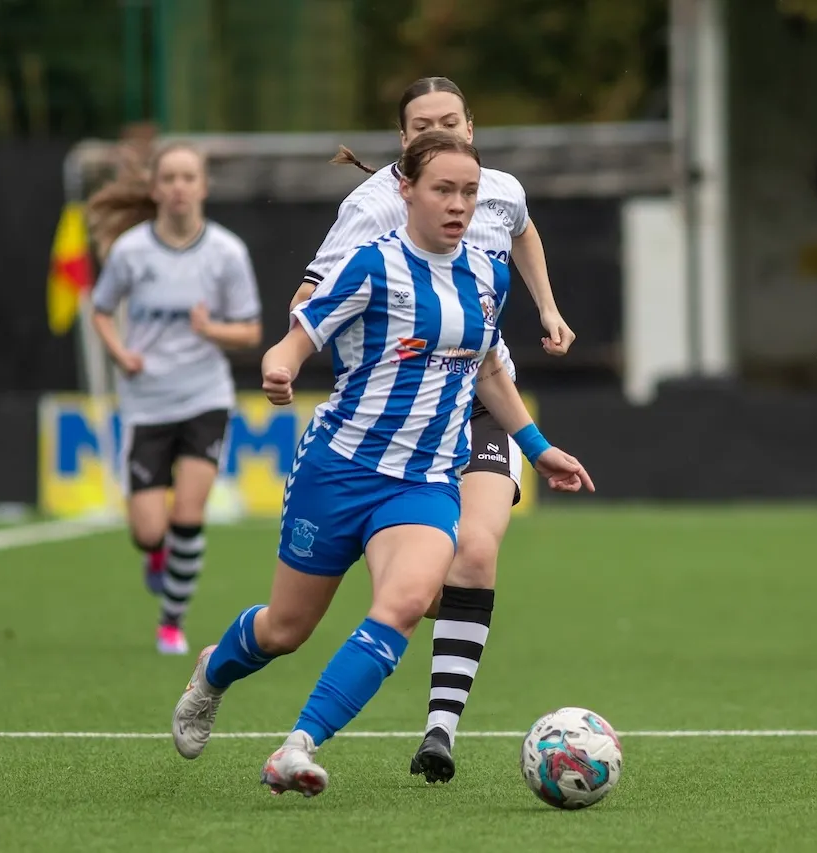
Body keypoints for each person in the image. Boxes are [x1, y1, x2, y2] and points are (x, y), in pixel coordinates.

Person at [170, 131, 594, 799]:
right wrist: (280, 368)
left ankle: (297, 745)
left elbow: (485, 368)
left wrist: (539, 449)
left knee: (404, 602)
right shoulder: (370, 265)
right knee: (285, 628)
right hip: (337, 470)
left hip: (425, 480)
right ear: (406, 190)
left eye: (470, 192)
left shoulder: (489, 273)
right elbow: (297, 336)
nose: (459, 205)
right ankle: (212, 674)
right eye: (443, 190)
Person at [288, 75, 576, 784]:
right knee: (341, 609)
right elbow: (310, 296)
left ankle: (439, 730)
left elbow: (522, 227)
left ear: (471, 126)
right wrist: (301, 344)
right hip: (398, 413)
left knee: (475, 552)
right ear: (403, 143)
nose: (436, 131)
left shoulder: (496, 191)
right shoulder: (372, 209)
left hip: (480, 392)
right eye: (421, 125)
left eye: (449, 120)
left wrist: (546, 305)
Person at [87, 141, 263, 655]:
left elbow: (251, 331)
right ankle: (155, 556)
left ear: (203, 187)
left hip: (205, 397)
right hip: (146, 402)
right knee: (148, 531)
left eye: (190, 177)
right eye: (170, 178)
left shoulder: (227, 252)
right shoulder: (131, 251)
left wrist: (213, 330)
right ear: (156, 189)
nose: (180, 187)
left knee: (189, 513)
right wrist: (120, 352)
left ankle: (172, 622)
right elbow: (101, 310)